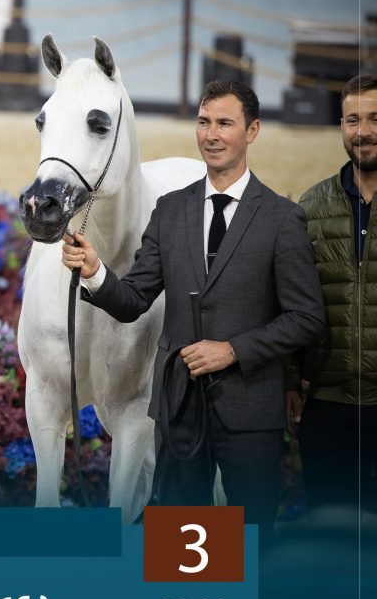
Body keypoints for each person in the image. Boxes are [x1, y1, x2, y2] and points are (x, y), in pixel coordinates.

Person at [62, 79, 325, 537]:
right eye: (204, 122)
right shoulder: (169, 210)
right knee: (180, 547)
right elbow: (134, 300)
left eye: (225, 123)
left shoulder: (282, 219)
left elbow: (306, 318)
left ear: (252, 130)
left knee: (248, 545)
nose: (211, 135)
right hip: (178, 409)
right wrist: (95, 271)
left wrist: (233, 350)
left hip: (250, 413)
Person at [288, 74, 377, 514]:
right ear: (341, 126)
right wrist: (290, 379)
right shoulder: (311, 206)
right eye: (353, 120)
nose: (364, 131)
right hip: (326, 406)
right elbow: (290, 303)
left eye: (375, 118)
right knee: (330, 531)